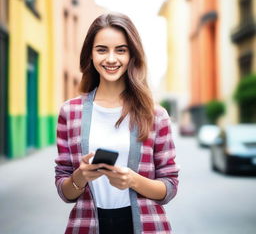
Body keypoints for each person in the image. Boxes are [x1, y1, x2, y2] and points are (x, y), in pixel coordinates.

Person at [55, 12, 179, 234]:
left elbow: (169, 187)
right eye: (102, 49)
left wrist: (132, 180)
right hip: (87, 225)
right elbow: (65, 193)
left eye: (120, 50)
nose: (111, 59)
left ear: (132, 55)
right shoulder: (69, 112)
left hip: (147, 226)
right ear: (90, 55)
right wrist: (80, 176)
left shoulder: (155, 115)